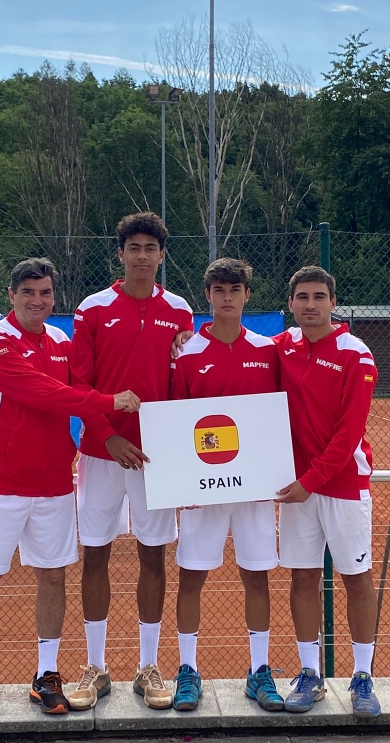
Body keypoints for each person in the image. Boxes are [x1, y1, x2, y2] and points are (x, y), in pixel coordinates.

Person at [0, 257, 140, 723]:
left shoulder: (62, 340)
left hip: (56, 482)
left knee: (53, 576)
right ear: (12, 295)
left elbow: (81, 383)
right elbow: (37, 391)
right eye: (28, 293)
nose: (37, 301)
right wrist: (105, 401)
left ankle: (46, 674)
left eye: (45, 293)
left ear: (53, 297)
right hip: (0, 480)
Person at [67, 212, 194, 711]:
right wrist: (106, 435)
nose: (142, 256)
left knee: (152, 555)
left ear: (162, 255)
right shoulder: (93, 309)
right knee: (95, 553)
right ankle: (96, 666)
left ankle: (148, 666)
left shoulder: (181, 310)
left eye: (150, 248)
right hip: (101, 454)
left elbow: (186, 381)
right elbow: (78, 383)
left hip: (157, 457)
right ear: (120, 254)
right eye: (133, 247)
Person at [168, 258, 285, 712]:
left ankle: (259, 671)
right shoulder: (188, 353)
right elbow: (177, 422)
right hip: (203, 487)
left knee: (257, 577)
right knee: (192, 576)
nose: (227, 297)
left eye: (235, 290)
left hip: (254, 488)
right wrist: (184, 482)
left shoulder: (268, 350)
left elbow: (277, 418)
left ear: (247, 296)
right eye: (219, 290)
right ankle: (188, 670)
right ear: (208, 296)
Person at [274, 265, 382, 718]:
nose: (311, 304)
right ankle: (309, 673)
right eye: (303, 297)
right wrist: (188, 336)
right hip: (297, 489)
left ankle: (362, 677)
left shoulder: (357, 354)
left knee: (355, 578)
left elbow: (349, 432)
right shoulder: (280, 348)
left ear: (333, 303)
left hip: (339, 485)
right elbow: (233, 346)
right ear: (292, 304)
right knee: (302, 577)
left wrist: (309, 482)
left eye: (319, 296)